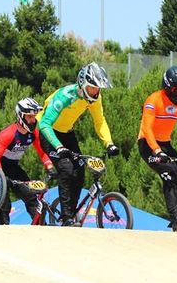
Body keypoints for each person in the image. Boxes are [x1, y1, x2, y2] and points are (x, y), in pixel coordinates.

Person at [37, 62, 120, 226]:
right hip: (49, 132)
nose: (96, 92)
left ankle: (71, 212)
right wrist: (58, 146)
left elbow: (100, 121)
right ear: (83, 84)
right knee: (66, 169)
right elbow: (45, 124)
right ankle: (67, 217)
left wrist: (109, 143)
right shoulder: (65, 97)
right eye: (92, 88)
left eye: (98, 89)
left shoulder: (95, 98)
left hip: (67, 133)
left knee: (80, 169)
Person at [137, 66, 177, 232]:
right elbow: (147, 129)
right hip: (148, 145)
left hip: (166, 144)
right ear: (168, 86)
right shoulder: (153, 100)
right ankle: (175, 220)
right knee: (169, 176)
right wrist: (157, 151)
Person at [0, 97, 57, 225]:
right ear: (20, 116)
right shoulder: (8, 134)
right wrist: (1, 175)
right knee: (4, 204)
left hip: (14, 167)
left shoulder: (34, 133)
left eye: (34, 117)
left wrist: (49, 166)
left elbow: (42, 152)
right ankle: (3, 230)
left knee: (31, 196)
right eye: (29, 117)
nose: (32, 120)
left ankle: (41, 226)